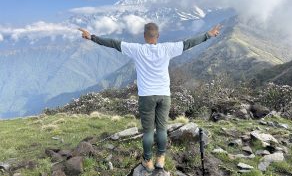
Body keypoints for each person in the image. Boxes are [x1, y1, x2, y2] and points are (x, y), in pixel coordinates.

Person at [79, 23, 221, 172]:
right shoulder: (167, 48)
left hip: (146, 96)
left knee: (147, 131)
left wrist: (92, 37)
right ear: (158, 36)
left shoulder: (137, 50)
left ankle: (148, 161)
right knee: (161, 129)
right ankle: (160, 158)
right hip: (164, 96)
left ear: (144, 37)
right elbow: (188, 43)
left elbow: (113, 43)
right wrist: (208, 35)